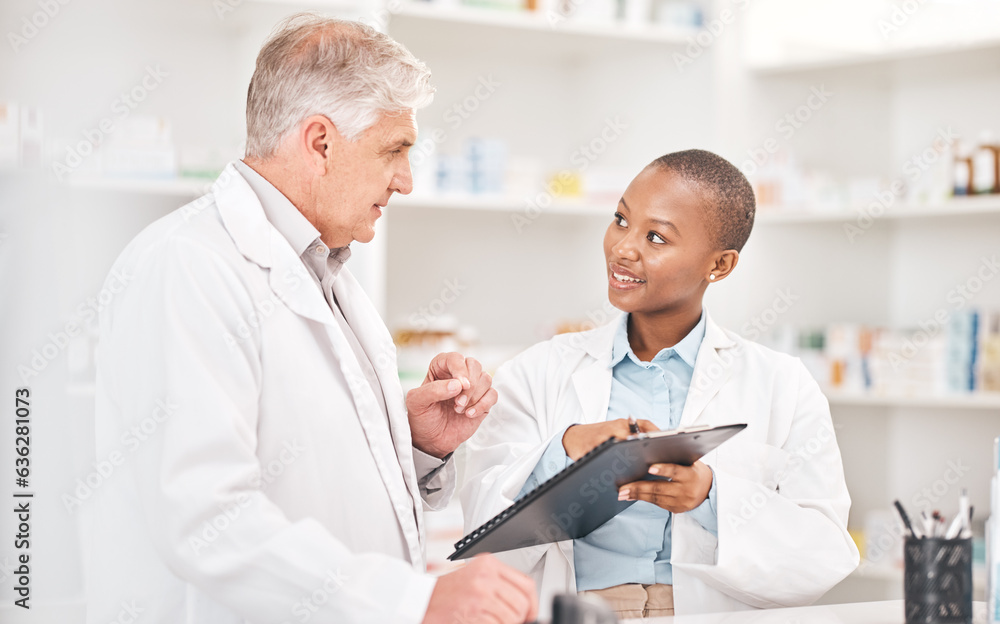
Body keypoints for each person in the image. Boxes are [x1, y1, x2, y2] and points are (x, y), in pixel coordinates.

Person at [86, 14, 537, 624]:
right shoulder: (187, 266)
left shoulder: (324, 270)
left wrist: (416, 445)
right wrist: (412, 601)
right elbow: (207, 519)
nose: (405, 180)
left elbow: (309, 470)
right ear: (321, 143)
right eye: (394, 151)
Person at [460, 150, 860, 619]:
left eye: (655, 236)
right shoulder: (538, 371)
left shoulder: (783, 384)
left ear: (721, 265)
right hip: (577, 610)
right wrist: (565, 451)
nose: (623, 248)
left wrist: (710, 496)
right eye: (620, 220)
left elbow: (824, 555)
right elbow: (479, 532)